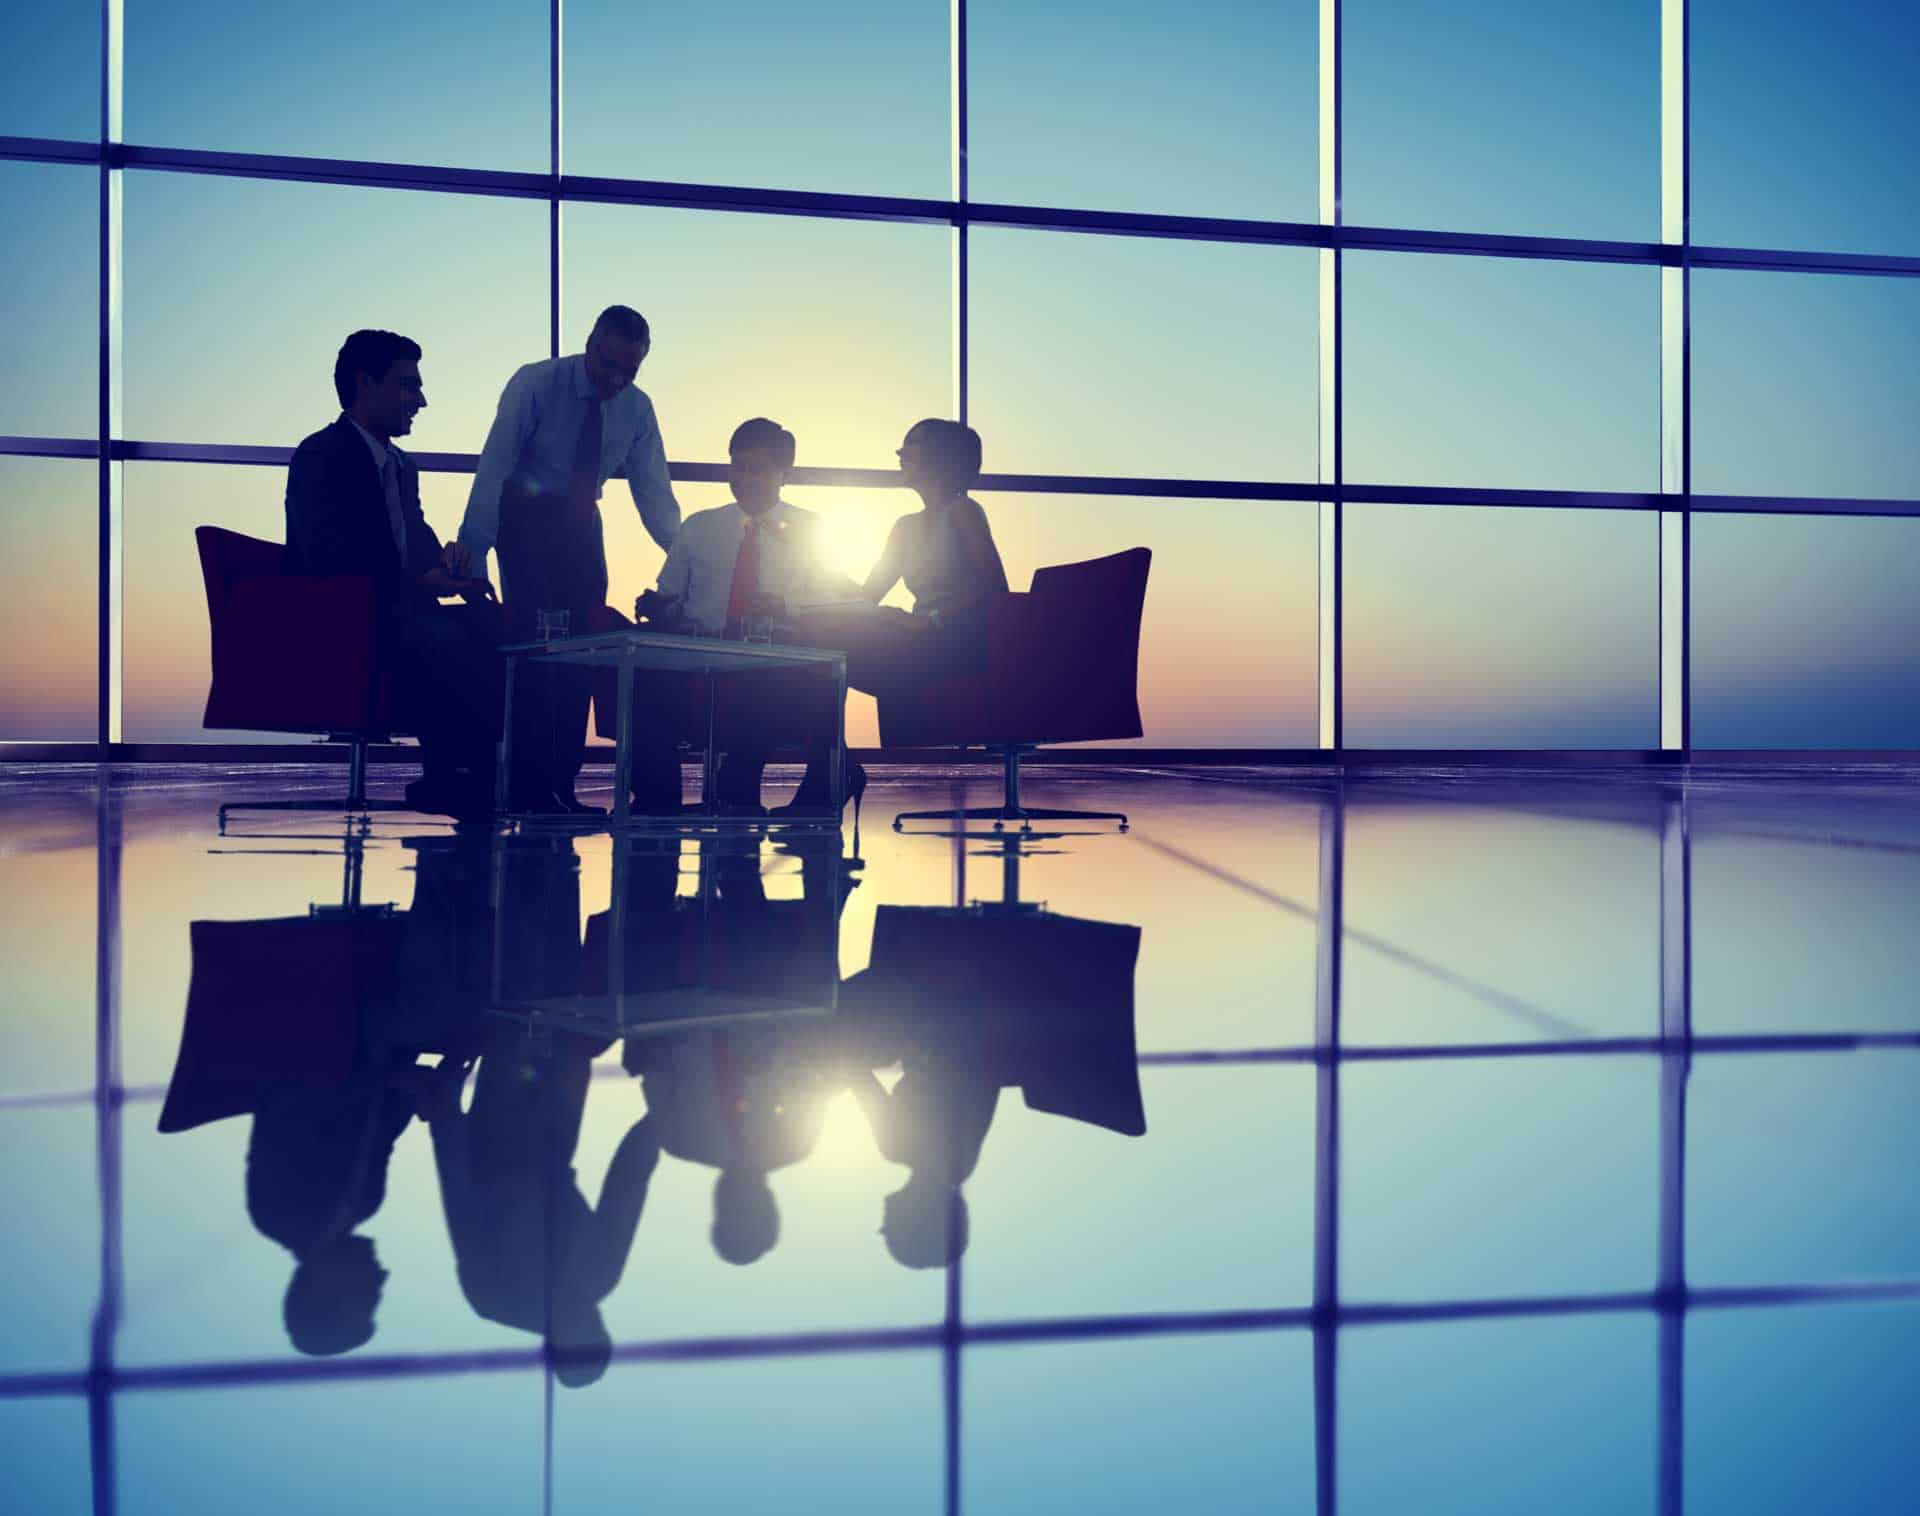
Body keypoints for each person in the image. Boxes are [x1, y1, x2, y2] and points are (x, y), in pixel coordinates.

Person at [459, 306, 681, 815]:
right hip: (525, 519)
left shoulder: (637, 409)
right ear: (590, 344)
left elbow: (655, 495)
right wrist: (474, 555)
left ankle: (562, 785)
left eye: (630, 370)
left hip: (583, 526)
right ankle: (528, 785)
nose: (616, 379)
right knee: (536, 651)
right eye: (608, 365)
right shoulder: (535, 383)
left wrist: (691, 562)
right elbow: (494, 468)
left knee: (585, 652)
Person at [284, 329, 500, 821]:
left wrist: (446, 573)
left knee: (493, 629)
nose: (420, 400)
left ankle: (485, 777)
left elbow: (415, 540)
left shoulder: (402, 466)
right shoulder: (321, 456)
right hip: (341, 621)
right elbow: (329, 557)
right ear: (366, 384)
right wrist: (419, 585)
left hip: (399, 615)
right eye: (408, 385)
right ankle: (453, 776)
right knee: (443, 639)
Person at [786, 418, 1008, 811]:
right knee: (814, 645)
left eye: (911, 444)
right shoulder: (905, 527)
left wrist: (929, 620)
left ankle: (832, 771)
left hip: (953, 644)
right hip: (918, 639)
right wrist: (811, 561)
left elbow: (992, 587)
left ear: (941, 457)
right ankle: (831, 767)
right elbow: (866, 596)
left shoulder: (964, 511)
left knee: (822, 649)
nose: (900, 453)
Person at [637, 417, 855, 815]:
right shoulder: (699, 526)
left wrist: (783, 606)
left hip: (777, 650)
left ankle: (738, 790)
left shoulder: (812, 528)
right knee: (644, 676)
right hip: (702, 650)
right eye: (737, 466)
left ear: (782, 473)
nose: (744, 477)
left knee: (755, 675)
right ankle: (657, 799)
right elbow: (670, 597)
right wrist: (656, 606)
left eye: (756, 468)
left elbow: (831, 601)